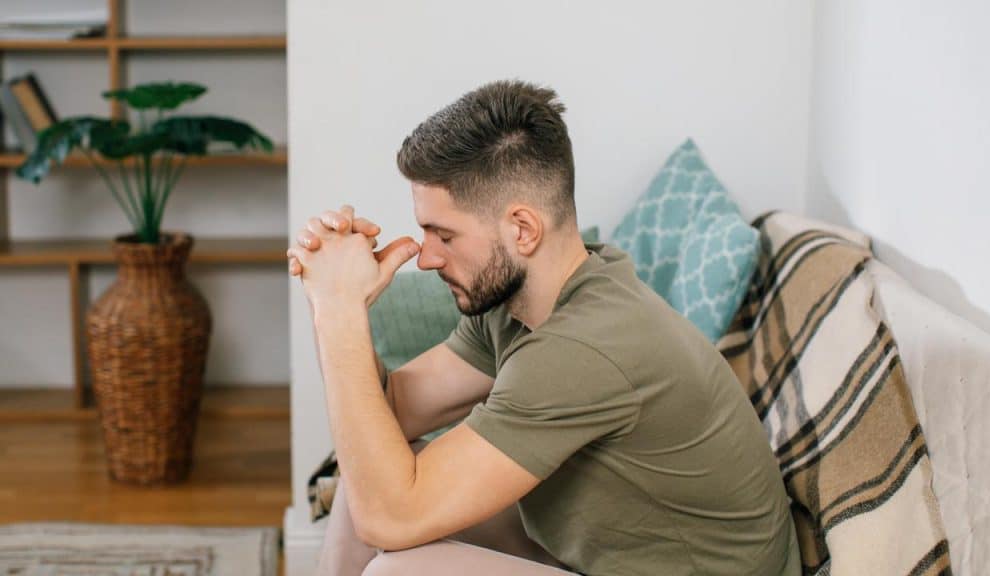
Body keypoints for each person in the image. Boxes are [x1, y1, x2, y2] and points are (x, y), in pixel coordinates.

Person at [287, 80, 800, 576]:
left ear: (523, 229)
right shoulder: (528, 301)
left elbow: (392, 516)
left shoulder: (580, 349)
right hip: (598, 554)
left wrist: (338, 310)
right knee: (367, 484)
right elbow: (391, 413)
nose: (426, 257)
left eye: (444, 234)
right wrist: (333, 301)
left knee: (401, 567)